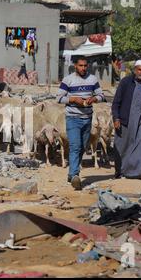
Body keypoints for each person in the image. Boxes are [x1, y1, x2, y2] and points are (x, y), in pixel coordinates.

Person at [56, 56, 106, 190]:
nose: (83, 68)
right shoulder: (68, 80)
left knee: (83, 146)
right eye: (80, 66)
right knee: (75, 146)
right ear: (75, 66)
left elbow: (101, 96)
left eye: (85, 66)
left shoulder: (93, 79)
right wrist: (73, 99)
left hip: (87, 118)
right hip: (72, 118)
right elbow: (59, 98)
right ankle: (75, 175)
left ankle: (71, 173)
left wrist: (94, 99)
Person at [112, 60, 141, 182]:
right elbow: (116, 102)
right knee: (122, 146)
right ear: (135, 70)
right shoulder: (126, 82)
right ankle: (120, 170)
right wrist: (116, 118)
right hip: (125, 118)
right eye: (139, 69)